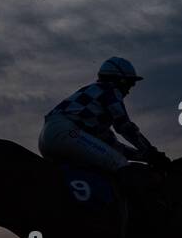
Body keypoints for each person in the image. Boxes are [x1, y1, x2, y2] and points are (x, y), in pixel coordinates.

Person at [39, 56, 169, 193]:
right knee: (120, 164)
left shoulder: (93, 112)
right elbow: (125, 127)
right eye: (130, 84)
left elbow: (113, 147)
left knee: (103, 165)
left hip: (47, 139)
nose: (129, 91)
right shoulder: (110, 90)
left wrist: (144, 157)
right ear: (121, 80)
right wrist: (151, 152)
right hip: (66, 133)